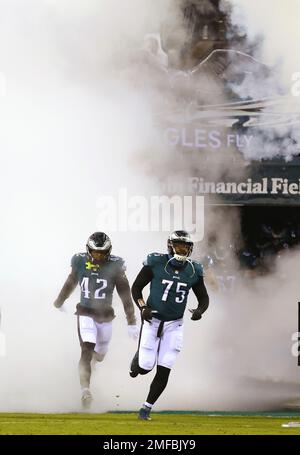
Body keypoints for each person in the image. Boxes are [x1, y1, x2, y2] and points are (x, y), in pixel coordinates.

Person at [129, 230, 209, 420]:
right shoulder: (156, 262)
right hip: (152, 320)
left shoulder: (193, 270)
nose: (182, 249)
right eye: (179, 245)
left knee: (165, 366)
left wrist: (199, 311)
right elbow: (136, 287)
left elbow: (204, 297)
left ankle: (146, 408)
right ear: (170, 245)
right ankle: (138, 360)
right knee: (145, 366)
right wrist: (143, 307)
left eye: (186, 246)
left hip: (175, 324)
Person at [53, 232, 138, 409]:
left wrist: (132, 321)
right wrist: (59, 301)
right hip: (85, 312)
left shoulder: (116, 265)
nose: (98, 256)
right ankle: (85, 390)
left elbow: (125, 294)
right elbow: (71, 282)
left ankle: (89, 368)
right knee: (87, 348)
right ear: (88, 250)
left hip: (105, 316)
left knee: (99, 356)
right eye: (95, 252)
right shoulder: (79, 261)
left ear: (108, 252)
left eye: (102, 253)